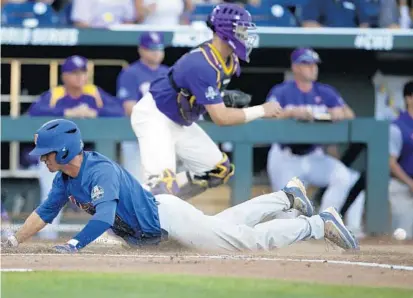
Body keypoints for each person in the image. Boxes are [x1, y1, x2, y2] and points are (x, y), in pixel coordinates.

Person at [1, 119, 359, 253]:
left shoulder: (99, 171)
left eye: (47, 153)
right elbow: (44, 213)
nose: (43, 158)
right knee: (230, 226)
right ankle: (286, 197)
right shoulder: (65, 178)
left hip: (168, 222)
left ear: (64, 150)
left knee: (244, 242)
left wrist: (75, 245)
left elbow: (103, 216)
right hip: (159, 230)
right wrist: (15, 238)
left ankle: (315, 223)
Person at [130, 3, 282, 200]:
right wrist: (262, 110)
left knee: (217, 170)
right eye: (242, 29)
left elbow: (204, 103)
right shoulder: (201, 63)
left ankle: (165, 204)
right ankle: (130, 218)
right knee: (162, 188)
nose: (246, 34)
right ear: (226, 31)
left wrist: (220, 98)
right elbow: (221, 118)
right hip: (155, 116)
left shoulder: (229, 60)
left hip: (180, 120)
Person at [266, 48, 365, 236]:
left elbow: (350, 114)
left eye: (314, 64)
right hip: (286, 157)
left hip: (314, 155)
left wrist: (340, 113)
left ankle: (323, 224)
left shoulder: (325, 92)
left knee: (342, 176)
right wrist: (291, 112)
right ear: (295, 67)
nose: (312, 68)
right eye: (307, 64)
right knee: (287, 217)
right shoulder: (282, 91)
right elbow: (268, 115)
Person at [26, 55, 124, 239]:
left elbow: (119, 111)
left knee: (104, 193)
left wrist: (95, 112)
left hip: (87, 157)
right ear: (65, 76)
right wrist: (66, 113)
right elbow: (33, 112)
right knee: (51, 196)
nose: (80, 77)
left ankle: (108, 235)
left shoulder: (93, 93)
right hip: (55, 156)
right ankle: (48, 236)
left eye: (83, 73)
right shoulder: (56, 94)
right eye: (74, 73)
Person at [117, 31, 169, 181]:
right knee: (136, 182)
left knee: (164, 184)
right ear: (141, 49)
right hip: (135, 136)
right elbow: (129, 108)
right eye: (152, 49)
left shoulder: (168, 73)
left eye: (159, 48)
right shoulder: (131, 73)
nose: (156, 53)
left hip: (162, 135)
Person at [389, 80, 413, 239]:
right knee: (403, 236)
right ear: (409, 98)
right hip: (402, 188)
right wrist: (411, 183)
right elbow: (390, 162)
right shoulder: (397, 126)